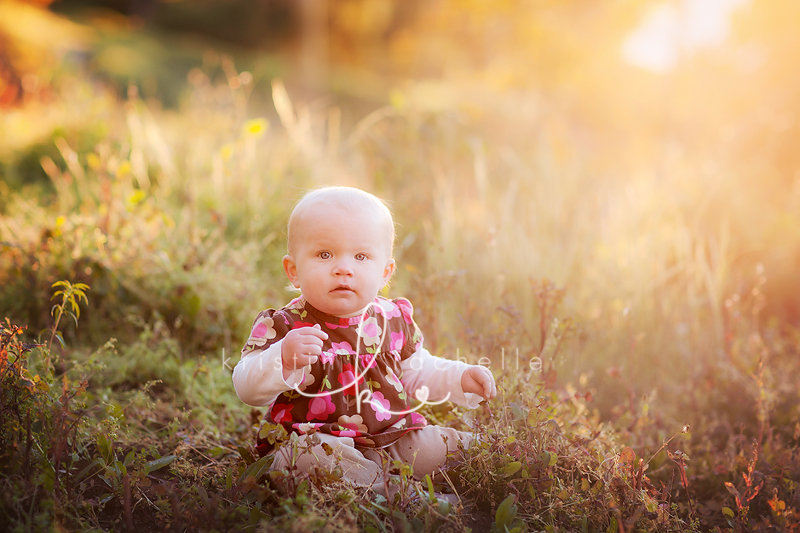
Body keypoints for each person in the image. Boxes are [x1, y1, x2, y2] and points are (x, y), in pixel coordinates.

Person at [232, 186, 496, 496]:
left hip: (392, 440)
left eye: (361, 256)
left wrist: (460, 377)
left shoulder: (393, 320)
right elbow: (245, 386)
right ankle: (410, 499)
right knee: (305, 461)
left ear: (385, 273)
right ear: (293, 271)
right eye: (324, 254)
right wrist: (283, 357)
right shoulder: (285, 327)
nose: (343, 268)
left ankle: (499, 470)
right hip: (319, 443)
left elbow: (417, 371)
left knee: (459, 450)